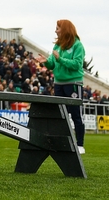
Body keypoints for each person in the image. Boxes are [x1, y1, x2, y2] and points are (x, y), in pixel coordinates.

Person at [36, 19, 86, 154]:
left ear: (65, 29)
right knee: (60, 115)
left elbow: (77, 64)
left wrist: (59, 59)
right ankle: (62, 142)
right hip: (59, 84)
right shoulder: (57, 46)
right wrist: (46, 62)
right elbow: (53, 64)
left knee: (76, 115)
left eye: (58, 28)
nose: (55, 31)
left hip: (73, 83)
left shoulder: (77, 45)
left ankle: (80, 144)